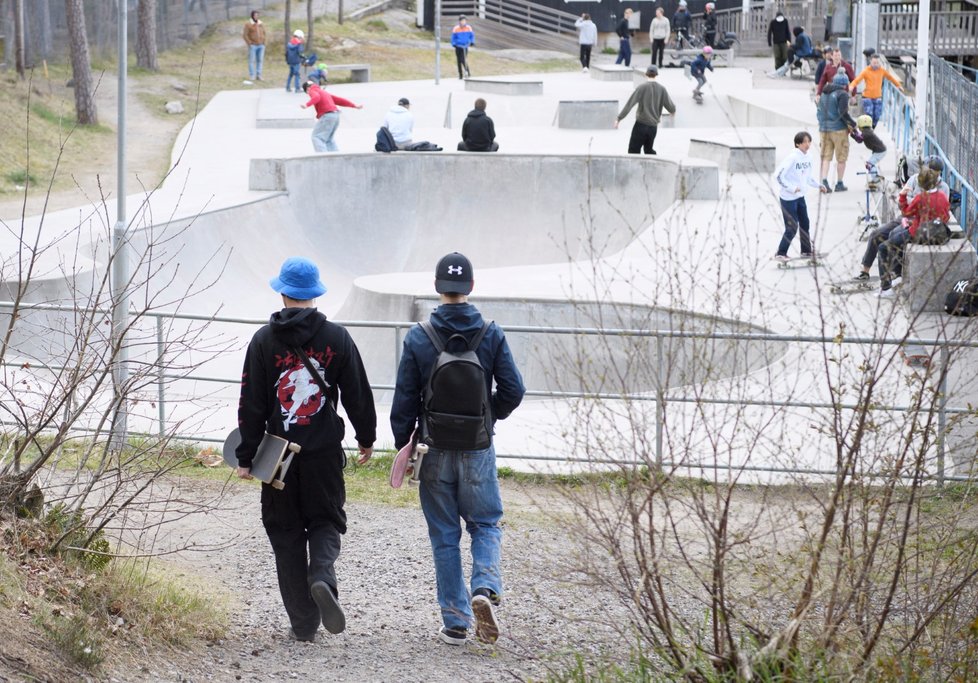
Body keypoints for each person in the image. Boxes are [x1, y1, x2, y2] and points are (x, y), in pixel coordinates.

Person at [236, 257, 377, 643]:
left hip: (279, 457)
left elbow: (251, 404)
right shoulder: (337, 337)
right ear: (315, 294)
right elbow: (358, 394)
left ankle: (303, 623)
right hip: (324, 454)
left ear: (282, 292)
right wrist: (367, 437)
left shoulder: (264, 341)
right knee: (326, 520)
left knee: (285, 533)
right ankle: (323, 576)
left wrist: (247, 456)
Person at [390, 252, 525, 646]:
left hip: (433, 448)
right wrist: (488, 417)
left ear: (437, 288)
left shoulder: (419, 336)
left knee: (445, 535)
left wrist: (406, 444)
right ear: (470, 287)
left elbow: (403, 400)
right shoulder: (491, 333)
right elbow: (514, 390)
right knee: (484, 523)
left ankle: (455, 621)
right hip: (478, 447)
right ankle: (484, 586)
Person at [854, 156, 950, 282]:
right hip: (905, 217)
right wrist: (915, 202)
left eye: (933, 171)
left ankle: (895, 276)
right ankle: (865, 271)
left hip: (921, 224)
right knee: (876, 234)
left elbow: (940, 211)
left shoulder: (943, 187)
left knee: (894, 236)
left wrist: (913, 202)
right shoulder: (915, 179)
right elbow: (905, 206)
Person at [876, 167, 951, 297]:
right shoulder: (943, 196)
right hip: (939, 234)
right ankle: (897, 276)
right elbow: (946, 217)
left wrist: (903, 195)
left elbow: (906, 212)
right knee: (896, 237)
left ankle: (886, 287)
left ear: (921, 183)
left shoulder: (921, 198)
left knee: (884, 247)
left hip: (919, 234)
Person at [773, 131, 829, 262]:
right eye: (804, 142)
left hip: (800, 197)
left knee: (805, 223)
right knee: (792, 227)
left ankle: (806, 251)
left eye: (809, 141)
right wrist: (792, 188)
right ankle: (780, 253)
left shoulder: (808, 157)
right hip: (788, 198)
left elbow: (807, 177)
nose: (807, 144)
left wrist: (818, 185)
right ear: (797, 144)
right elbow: (778, 176)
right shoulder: (792, 157)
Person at [614, 65, 676, 155]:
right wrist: (672, 112)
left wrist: (619, 118)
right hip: (653, 127)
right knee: (648, 151)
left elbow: (629, 104)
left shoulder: (641, 88)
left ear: (646, 74)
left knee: (633, 151)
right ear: (656, 75)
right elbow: (671, 107)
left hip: (641, 125)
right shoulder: (662, 89)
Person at [816, 71, 856, 192]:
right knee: (841, 158)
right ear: (845, 84)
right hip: (838, 130)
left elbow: (818, 112)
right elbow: (843, 113)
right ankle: (839, 183)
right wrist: (853, 124)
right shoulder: (842, 94)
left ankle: (824, 182)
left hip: (824, 129)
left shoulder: (824, 93)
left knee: (826, 157)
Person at [301, 80, 363, 153]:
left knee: (317, 137)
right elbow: (339, 100)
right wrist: (354, 105)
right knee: (328, 139)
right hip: (336, 115)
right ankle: (336, 157)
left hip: (327, 116)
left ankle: (324, 159)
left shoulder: (311, 90)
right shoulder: (323, 92)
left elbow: (316, 97)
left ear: (307, 89)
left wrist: (306, 105)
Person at [849, 53, 903, 128]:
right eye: (874, 63)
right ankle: (868, 129)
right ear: (870, 62)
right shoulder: (866, 71)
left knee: (877, 115)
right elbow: (857, 80)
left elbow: (890, 77)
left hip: (877, 97)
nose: (876, 64)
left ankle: (872, 128)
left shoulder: (882, 70)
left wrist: (898, 85)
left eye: (877, 63)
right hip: (867, 97)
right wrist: (851, 86)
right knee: (869, 113)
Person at [852, 114, 886, 183]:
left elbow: (859, 140)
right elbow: (860, 137)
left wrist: (853, 133)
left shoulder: (866, 133)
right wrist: (854, 132)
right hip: (879, 150)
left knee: (869, 164)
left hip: (880, 151)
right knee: (870, 164)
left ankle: (876, 179)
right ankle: (876, 176)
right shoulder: (867, 131)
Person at [243, 10, 266, 82]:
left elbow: (264, 33)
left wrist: (264, 42)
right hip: (253, 46)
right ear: (252, 16)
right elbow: (245, 35)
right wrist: (250, 43)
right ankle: (252, 75)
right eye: (255, 15)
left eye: (257, 15)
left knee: (260, 60)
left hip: (261, 45)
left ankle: (259, 75)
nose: (256, 16)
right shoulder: (248, 24)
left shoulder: (261, 23)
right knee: (251, 61)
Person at [451, 15, 475, 79]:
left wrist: (472, 42)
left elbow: (472, 36)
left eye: (464, 21)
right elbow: (453, 37)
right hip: (458, 46)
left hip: (465, 46)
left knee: (463, 59)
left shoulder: (468, 28)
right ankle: (460, 74)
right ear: (459, 21)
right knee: (459, 61)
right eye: (462, 21)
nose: (463, 22)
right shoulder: (456, 28)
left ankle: (467, 72)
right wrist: (454, 44)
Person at [285, 29, 306, 93]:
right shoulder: (298, 44)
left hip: (290, 61)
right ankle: (297, 88)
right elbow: (300, 52)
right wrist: (303, 57)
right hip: (296, 61)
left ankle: (288, 87)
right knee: (297, 74)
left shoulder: (290, 43)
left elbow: (287, 53)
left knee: (291, 74)